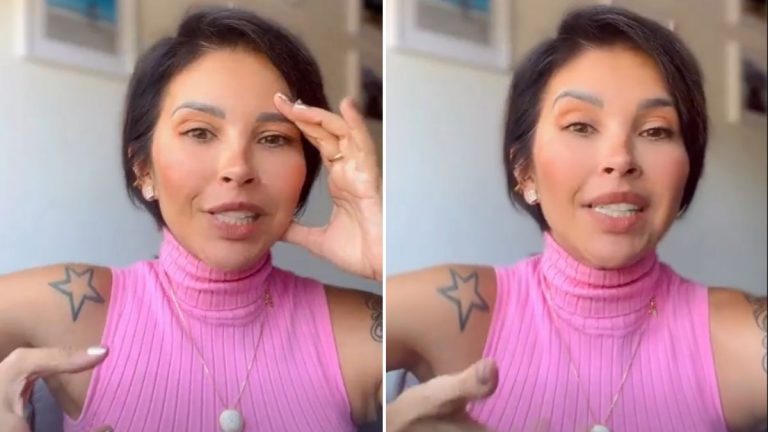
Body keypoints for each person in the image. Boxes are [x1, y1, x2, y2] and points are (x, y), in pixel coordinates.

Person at [0, 7, 382, 432]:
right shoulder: (68, 307)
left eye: (274, 138)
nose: (238, 168)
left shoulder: (355, 330)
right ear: (143, 168)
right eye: (200, 132)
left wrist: (383, 255)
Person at [387, 5, 767, 431]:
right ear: (525, 172)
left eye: (656, 130)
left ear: (687, 170)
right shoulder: (452, 307)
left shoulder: (740, 337)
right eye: (581, 126)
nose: (620, 159)